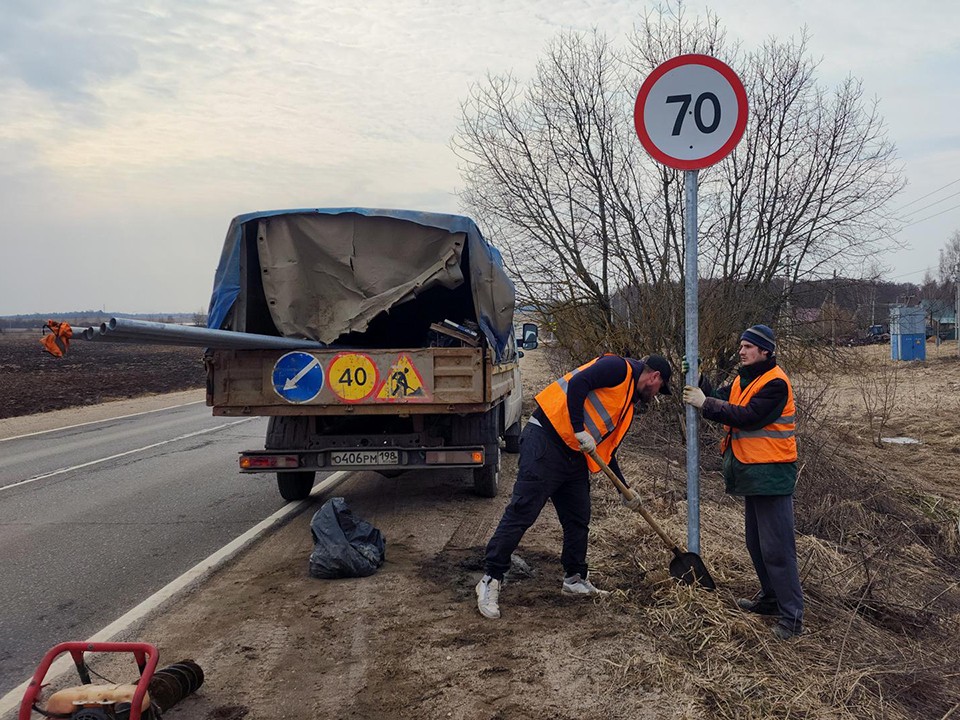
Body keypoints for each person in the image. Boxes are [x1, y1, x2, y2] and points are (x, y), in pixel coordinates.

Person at [475, 353, 673, 620]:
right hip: (546, 440)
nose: (657, 394)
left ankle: (575, 579)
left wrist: (625, 491)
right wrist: (579, 428)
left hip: (574, 454)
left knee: (578, 517)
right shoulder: (618, 368)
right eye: (660, 389)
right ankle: (490, 579)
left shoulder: (628, 402)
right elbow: (579, 383)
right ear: (655, 377)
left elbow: (608, 452)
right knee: (523, 511)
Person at [681, 324, 804, 640]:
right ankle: (772, 598)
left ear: (765, 351)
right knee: (756, 544)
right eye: (741, 345)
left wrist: (703, 403)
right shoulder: (743, 379)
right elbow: (722, 398)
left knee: (777, 549)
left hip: (772, 476)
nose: (741, 350)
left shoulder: (775, 384)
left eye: (748, 346)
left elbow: (748, 416)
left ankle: (792, 617)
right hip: (753, 473)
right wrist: (699, 383)